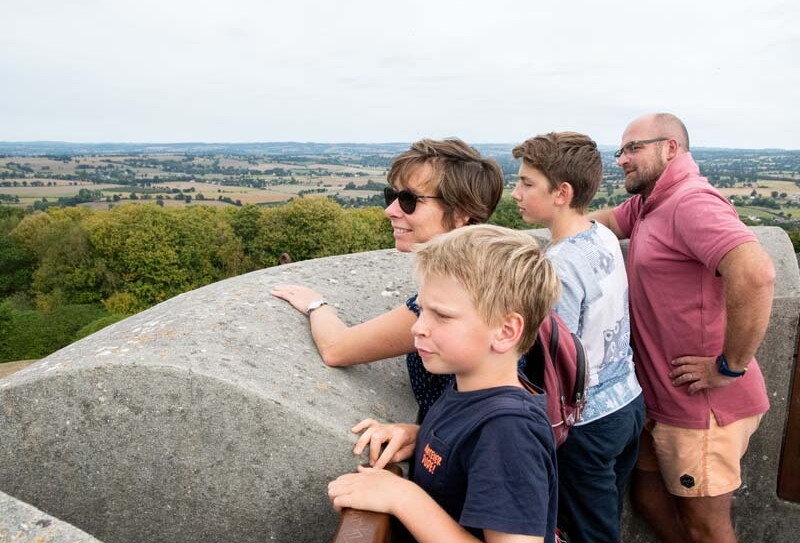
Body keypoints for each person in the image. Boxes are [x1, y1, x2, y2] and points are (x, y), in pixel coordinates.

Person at [590, 113, 775, 543]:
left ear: (670, 148)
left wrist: (729, 366)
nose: (622, 159)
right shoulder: (651, 202)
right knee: (650, 499)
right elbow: (605, 222)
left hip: (702, 409)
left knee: (706, 528)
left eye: (634, 148)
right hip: (660, 402)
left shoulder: (691, 202)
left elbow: (756, 274)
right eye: (620, 150)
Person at [327, 224, 560, 543]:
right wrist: (422, 438)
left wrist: (402, 498)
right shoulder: (470, 388)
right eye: (422, 310)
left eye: (442, 316)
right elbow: (468, 453)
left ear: (505, 332)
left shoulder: (509, 431)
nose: (418, 328)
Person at [271, 138, 503, 421]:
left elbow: (336, 349)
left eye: (408, 200)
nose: (390, 210)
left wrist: (318, 305)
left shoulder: (459, 292)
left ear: (460, 214)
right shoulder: (488, 269)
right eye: (390, 196)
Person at [511, 132, 644, 543]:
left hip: (587, 424)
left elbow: (555, 357)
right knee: (606, 517)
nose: (515, 192)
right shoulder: (601, 236)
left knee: (590, 533)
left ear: (561, 193)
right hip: (629, 401)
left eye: (526, 183)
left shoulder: (557, 268)